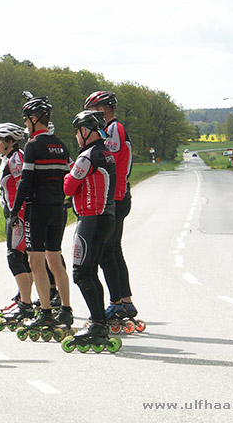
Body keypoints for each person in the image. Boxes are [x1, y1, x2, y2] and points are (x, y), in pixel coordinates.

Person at [10, 97, 73, 331]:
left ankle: (45, 312)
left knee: (35, 261)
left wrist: (15, 210)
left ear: (34, 119)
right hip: (58, 209)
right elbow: (69, 176)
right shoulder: (61, 145)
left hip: (37, 209)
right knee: (55, 261)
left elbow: (25, 181)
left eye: (27, 120)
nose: (26, 124)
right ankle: (66, 311)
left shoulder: (33, 145)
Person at [63, 110, 118, 349]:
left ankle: (97, 324)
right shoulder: (106, 154)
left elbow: (68, 186)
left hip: (90, 220)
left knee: (81, 274)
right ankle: (100, 322)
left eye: (77, 132)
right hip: (107, 219)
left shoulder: (87, 157)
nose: (76, 136)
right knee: (91, 272)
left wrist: (68, 173)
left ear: (85, 131)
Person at [84, 90, 138, 323]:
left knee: (107, 252)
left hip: (115, 197)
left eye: (93, 110)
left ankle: (117, 303)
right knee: (114, 250)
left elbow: (109, 159)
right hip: (118, 195)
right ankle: (125, 301)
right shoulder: (112, 129)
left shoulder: (114, 128)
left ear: (103, 109)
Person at [0, 123, 35, 325]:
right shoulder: (9, 158)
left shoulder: (16, 159)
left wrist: (17, 213)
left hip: (19, 215)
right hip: (15, 214)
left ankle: (25, 305)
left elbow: (23, 186)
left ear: (8, 142)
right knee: (21, 258)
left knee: (16, 258)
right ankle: (23, 299)